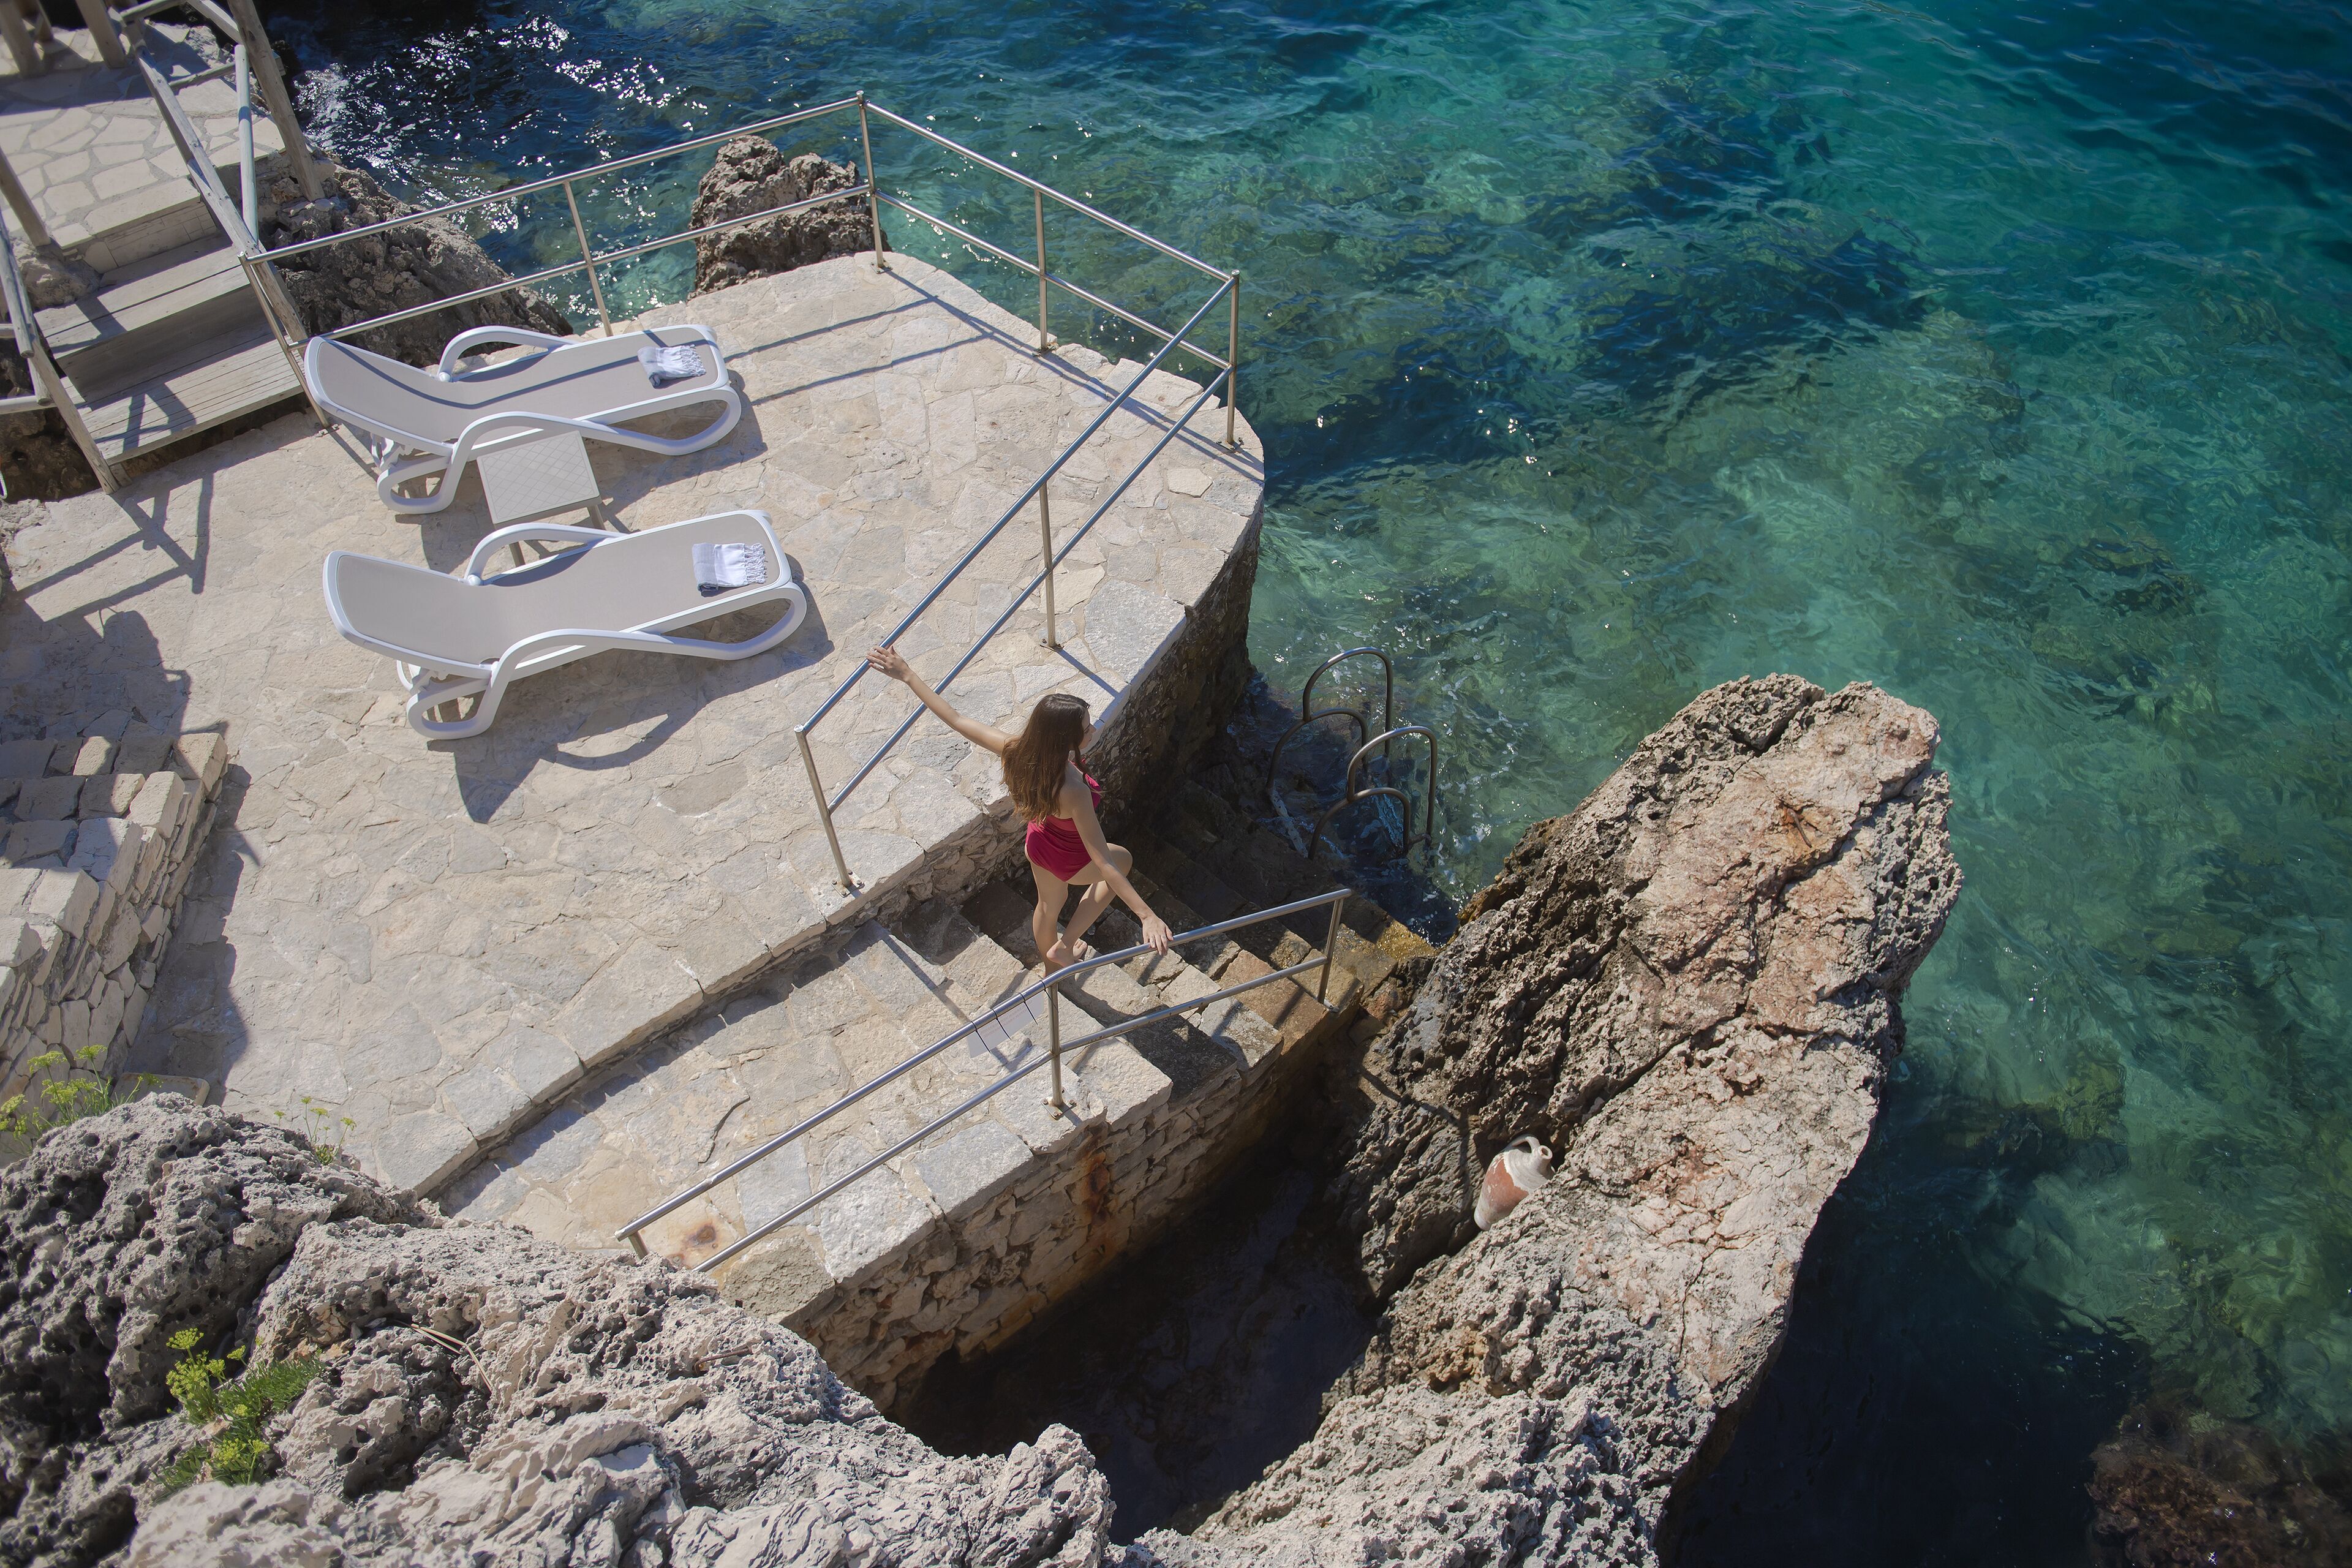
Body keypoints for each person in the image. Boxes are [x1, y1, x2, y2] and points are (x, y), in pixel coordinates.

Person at [867, 646, 1173, 972]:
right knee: (1122, 860)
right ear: (1064, 739)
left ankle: (1053, 969)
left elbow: (957, 720)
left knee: (1048, 907)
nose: (1093, 730)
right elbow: (1103, 861)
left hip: (1038, 845)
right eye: (1086, 729)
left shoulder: (1017, 751)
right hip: (1068, 858)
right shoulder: (1074, 791)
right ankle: (1066, 945)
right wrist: (1147, 916)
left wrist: (908, 675)